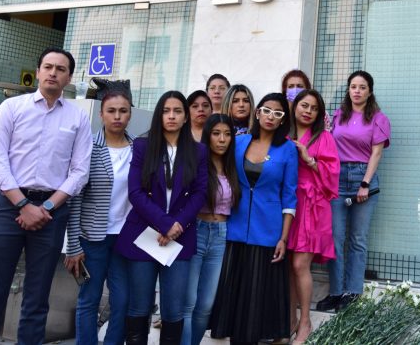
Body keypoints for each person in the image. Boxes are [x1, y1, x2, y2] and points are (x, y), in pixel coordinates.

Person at [0, 48, 92, 345]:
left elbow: (80, 171)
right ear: (38, 71)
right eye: (48, 67)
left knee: (37, 299)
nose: (53, 73)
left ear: (69, 77)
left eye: (60, 69)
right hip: (8, 206)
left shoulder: (78, 117)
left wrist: (46, 207)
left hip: (53, 210)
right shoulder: (11, 108)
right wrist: (24, 205)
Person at [115, 91, 208, 345]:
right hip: (145, 235)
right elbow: (135, 192)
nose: (171, 116)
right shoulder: (143, 146)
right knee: (139, 307)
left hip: (180, 238)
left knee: (173, 310)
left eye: (177, 111)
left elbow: (200, 193)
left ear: (186, 117)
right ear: (159, 115)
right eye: (166, 111)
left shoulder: (198, 152)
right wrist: (166, 224)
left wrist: (176, 226)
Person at [210, 93, 298, 345]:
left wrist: (283, 237)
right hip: (234, 227)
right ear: (257, 112)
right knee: (232, 293)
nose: (271, 117)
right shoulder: (238, 142)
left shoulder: (288, 150)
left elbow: (290, 196)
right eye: (267, 110)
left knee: (257, 297)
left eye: (278, 113)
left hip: (267, 231)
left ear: (283, 120)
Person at [64, 82, 136, 345]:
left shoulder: (138, 149)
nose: (117, 116)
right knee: (89, 299)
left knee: (123, 300)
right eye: (111, 111)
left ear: (130, 113)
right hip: (92, 238)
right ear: (101, 114)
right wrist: (72, 245)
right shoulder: (88, 148)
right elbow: (75, 199)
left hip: (124, 237)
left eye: (123, 111)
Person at [318, 70, 391, 312]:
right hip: (337, 179)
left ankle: (353, 292)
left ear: (370, 91)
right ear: (348, 90)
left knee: (357, 240)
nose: (357, 91)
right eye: (353, 87)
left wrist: (365, 184)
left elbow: (376, 153)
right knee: (335, 238)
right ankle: (336, 292)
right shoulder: (338, 116)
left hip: (363, 179)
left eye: (362, 87)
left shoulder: (378, 119)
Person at [288, 90, 340, 343]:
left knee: (300, 265)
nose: (308, 111)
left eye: (314, 108)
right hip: (287, 206)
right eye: (304, 105)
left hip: (312, 205)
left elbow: (333, 179)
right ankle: (290, 319)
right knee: (287, 266)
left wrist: (309, 160)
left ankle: (305, 321)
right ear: (295, 106)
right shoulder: (282, 134)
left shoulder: (325, 138)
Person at [184, 114, 238, 345]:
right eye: (216, 133)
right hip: (196, 229)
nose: (222, 139)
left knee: (205, 305)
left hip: (220, 233)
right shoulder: (196, 162)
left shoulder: (233, 166)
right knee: (188, 302)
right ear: (208, 135)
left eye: (227, 134)